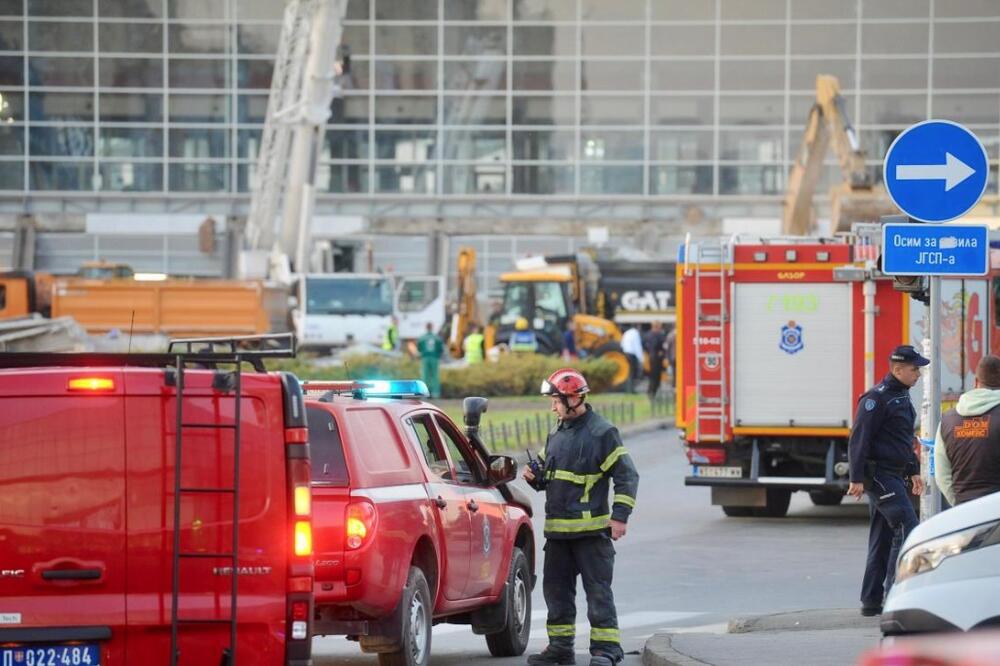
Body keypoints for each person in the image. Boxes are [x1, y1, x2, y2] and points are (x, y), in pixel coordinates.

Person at [522, 368, 639, 666]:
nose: (552, 407)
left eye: (556, 400)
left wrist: (620, 517)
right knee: (556, 594)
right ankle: (561, 648)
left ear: (574, 398)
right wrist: (534, 477)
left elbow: (627, 475)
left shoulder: (603, 432)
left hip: (591, 534)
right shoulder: (556, 433)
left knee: (598, 594)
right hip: (558, 535)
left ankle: (606, 651)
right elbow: (548, 475)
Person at [848, 345, 926, 617]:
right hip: (879, 476)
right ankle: (896, 596)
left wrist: (912, 470)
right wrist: (856, 477)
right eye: (915, 369)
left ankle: (871, 601)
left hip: (894, 474)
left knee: (881, 538)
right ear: (897, 369)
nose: (918, 374)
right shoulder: (876, 399)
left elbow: (902, 439)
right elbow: (860, 438)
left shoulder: (901, 395)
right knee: (908, 526)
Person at [935, 354, 1000, 507]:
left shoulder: (947, 420)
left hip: (964, 513)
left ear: (976, 381)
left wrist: (959, 505)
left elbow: (941, 475)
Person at [416, 321, 444, 399]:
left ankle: (424, 394)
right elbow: (441, 349)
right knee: (435, 376)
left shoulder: (422, 338)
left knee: (425, 376)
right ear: (432, 327)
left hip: (425, 358)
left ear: (426, 327)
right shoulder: (437, 338)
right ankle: (436, 393)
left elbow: (419, 348)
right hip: (434, 357)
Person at [643, 322, 667, 400]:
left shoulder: (647, 335)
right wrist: (661, 353)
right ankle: (652, 393)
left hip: (649, 358)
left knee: (652, 378)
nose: (660, 329)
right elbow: (663, 347)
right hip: (656, 359)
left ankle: (651, 393)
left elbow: (644, 345)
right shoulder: (659, 335)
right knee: (656, 378)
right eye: (659, 327)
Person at [620, 325, 643, 394]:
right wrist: (640, 358)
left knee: (628, 373)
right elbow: (637, 346)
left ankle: (628, 389)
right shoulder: (635, 333)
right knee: (632, 373)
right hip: (632, 354)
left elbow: (622, 344)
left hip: (625, 353)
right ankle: (631, 390)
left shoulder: (626, 333)